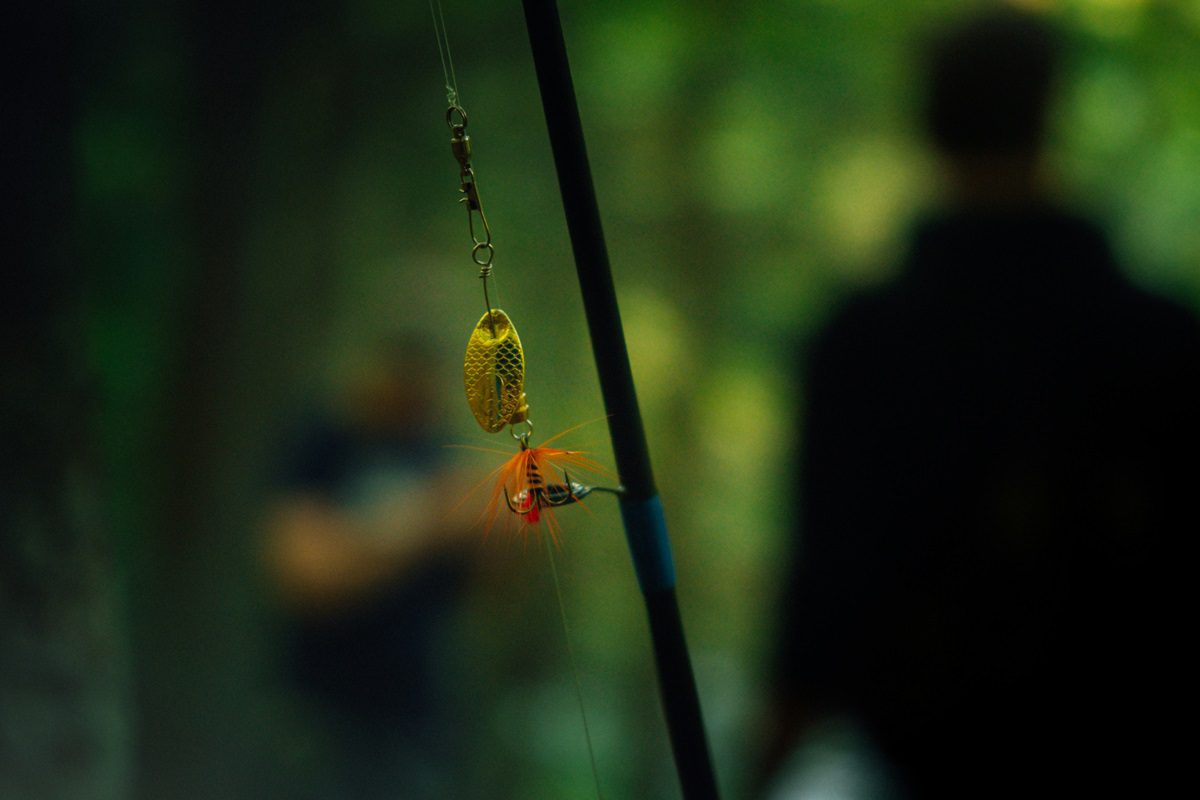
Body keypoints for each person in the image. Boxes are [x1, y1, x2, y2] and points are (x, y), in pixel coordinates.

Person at [764, 7, 1200, 798]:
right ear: (1050, 115)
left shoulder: (863, 344)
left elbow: (821, 594)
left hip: (925, 765)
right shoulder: (1162, 339)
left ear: (929, 126)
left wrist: (762, 765)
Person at [263, 339, 479, 800]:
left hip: (413, 721)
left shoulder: (439, 455)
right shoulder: (327, 443)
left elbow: (481, 592)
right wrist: (423, 522)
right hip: (322, 713)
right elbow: (305, 574)